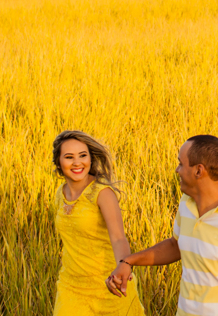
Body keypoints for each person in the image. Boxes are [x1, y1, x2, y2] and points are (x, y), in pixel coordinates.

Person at [106, 135, 218, 316]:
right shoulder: (186, 204)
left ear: (199, 170)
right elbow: (175, 245)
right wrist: (129, 261)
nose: (177, 170)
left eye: (181, 164)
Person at [52, 130, 144, 316]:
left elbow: (118, 238)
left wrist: (123, 266)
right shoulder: (60, 194)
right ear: (59, 162)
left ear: (90, 159)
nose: (77, 162)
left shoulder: (102, 194)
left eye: (82, 155)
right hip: (71, 287)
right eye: (69, 157)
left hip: (109, 286)